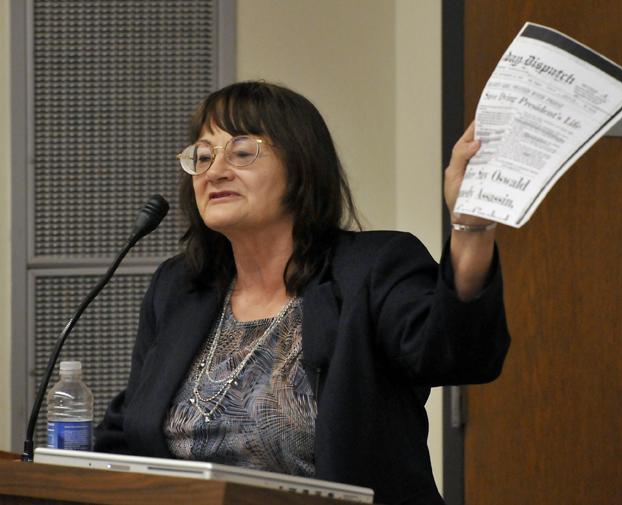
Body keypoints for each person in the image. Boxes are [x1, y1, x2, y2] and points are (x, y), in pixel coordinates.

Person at [94, 81, 510, 505]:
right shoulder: (179, 288)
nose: (215, 171)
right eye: (203, 157)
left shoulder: (370, 268)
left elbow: (459, 352)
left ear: (301, 166)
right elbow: (130, 431)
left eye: (241, 153)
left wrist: (471, 227)